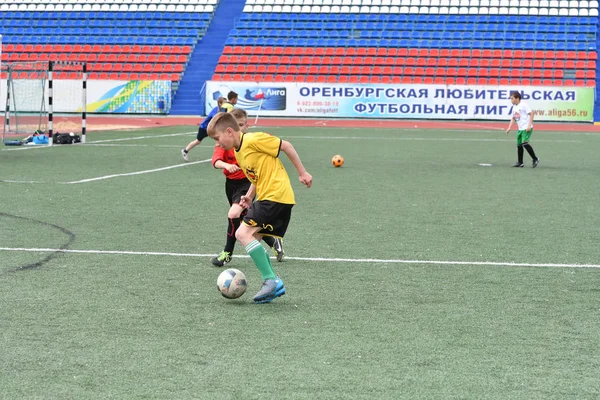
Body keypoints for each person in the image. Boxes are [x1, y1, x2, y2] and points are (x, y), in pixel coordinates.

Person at [207, 112, 312, 304]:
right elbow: (257, 176)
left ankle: (271, 280)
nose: (217, 143)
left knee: (241, 234)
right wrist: (249, 195)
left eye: (217, 138)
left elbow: (286, 145)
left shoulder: (254, 139)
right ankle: (271, 282)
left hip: (276, 195)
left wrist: (302, 172)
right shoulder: (239, 152)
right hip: (269, 196)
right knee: (253, 237)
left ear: (229, 131)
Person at [210, 108, 285, 267]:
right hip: (230, 185)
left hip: (247, 184)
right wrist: (226, 165)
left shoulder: (250, 142)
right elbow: (215, 160)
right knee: (245, 220)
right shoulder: (224, 143)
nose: (239, 128)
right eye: (236, 124)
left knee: (234, 214)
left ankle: (227, 253)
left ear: (245, 127)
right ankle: (273, 242)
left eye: (242, 125)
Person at [181, 97, 226, 162]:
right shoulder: (216, 110)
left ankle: (219, 156)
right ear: (219, 103)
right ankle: (185, 151)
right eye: (224, 103)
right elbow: (215, 119)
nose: (226, 105)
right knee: (198, 141)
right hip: (204, 128)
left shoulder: (223, 110)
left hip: (211, 128)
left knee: (218, 140)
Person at [506, 91, 540, 168]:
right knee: (519, 145)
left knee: (524, 143)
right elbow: (514, 118)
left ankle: (535, 158)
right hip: (520, 129)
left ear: (517, 98)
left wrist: (529, 125)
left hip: (526, 128)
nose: (511, 100)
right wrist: (509, 127)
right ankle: (520, 162)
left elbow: (531, 114)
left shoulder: (523, 105)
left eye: (512, 98)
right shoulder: (514, 107)